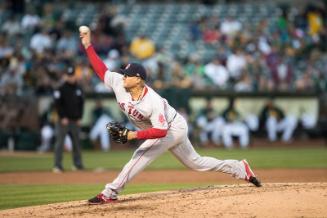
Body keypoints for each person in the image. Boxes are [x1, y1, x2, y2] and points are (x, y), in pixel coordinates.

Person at [79, 26, 261, 205]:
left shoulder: (152, 101)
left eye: (127, 74)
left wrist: (133, 135)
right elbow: (101, 70)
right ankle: (239, 168)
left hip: (172, 128)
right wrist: (88, 46)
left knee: (140, 154)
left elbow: (161, 130)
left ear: (139, 80)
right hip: (165, 127)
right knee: (196, 163)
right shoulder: (119, 82)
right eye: (124, 73)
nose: (123, 76)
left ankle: (110, 192)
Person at [53, 65, 85, 173]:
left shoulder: (78, 88)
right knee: (60, 143)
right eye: (69, 76)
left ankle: (78, 164)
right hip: (64, 121)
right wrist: (62, 117)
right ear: (66, 76)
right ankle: (57, 165)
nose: (71, 78)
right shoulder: (60, 88)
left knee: (76, 143)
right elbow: (57, 104)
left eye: (72, 75)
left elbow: (81, 104)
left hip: (75, 120)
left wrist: (80, 117)